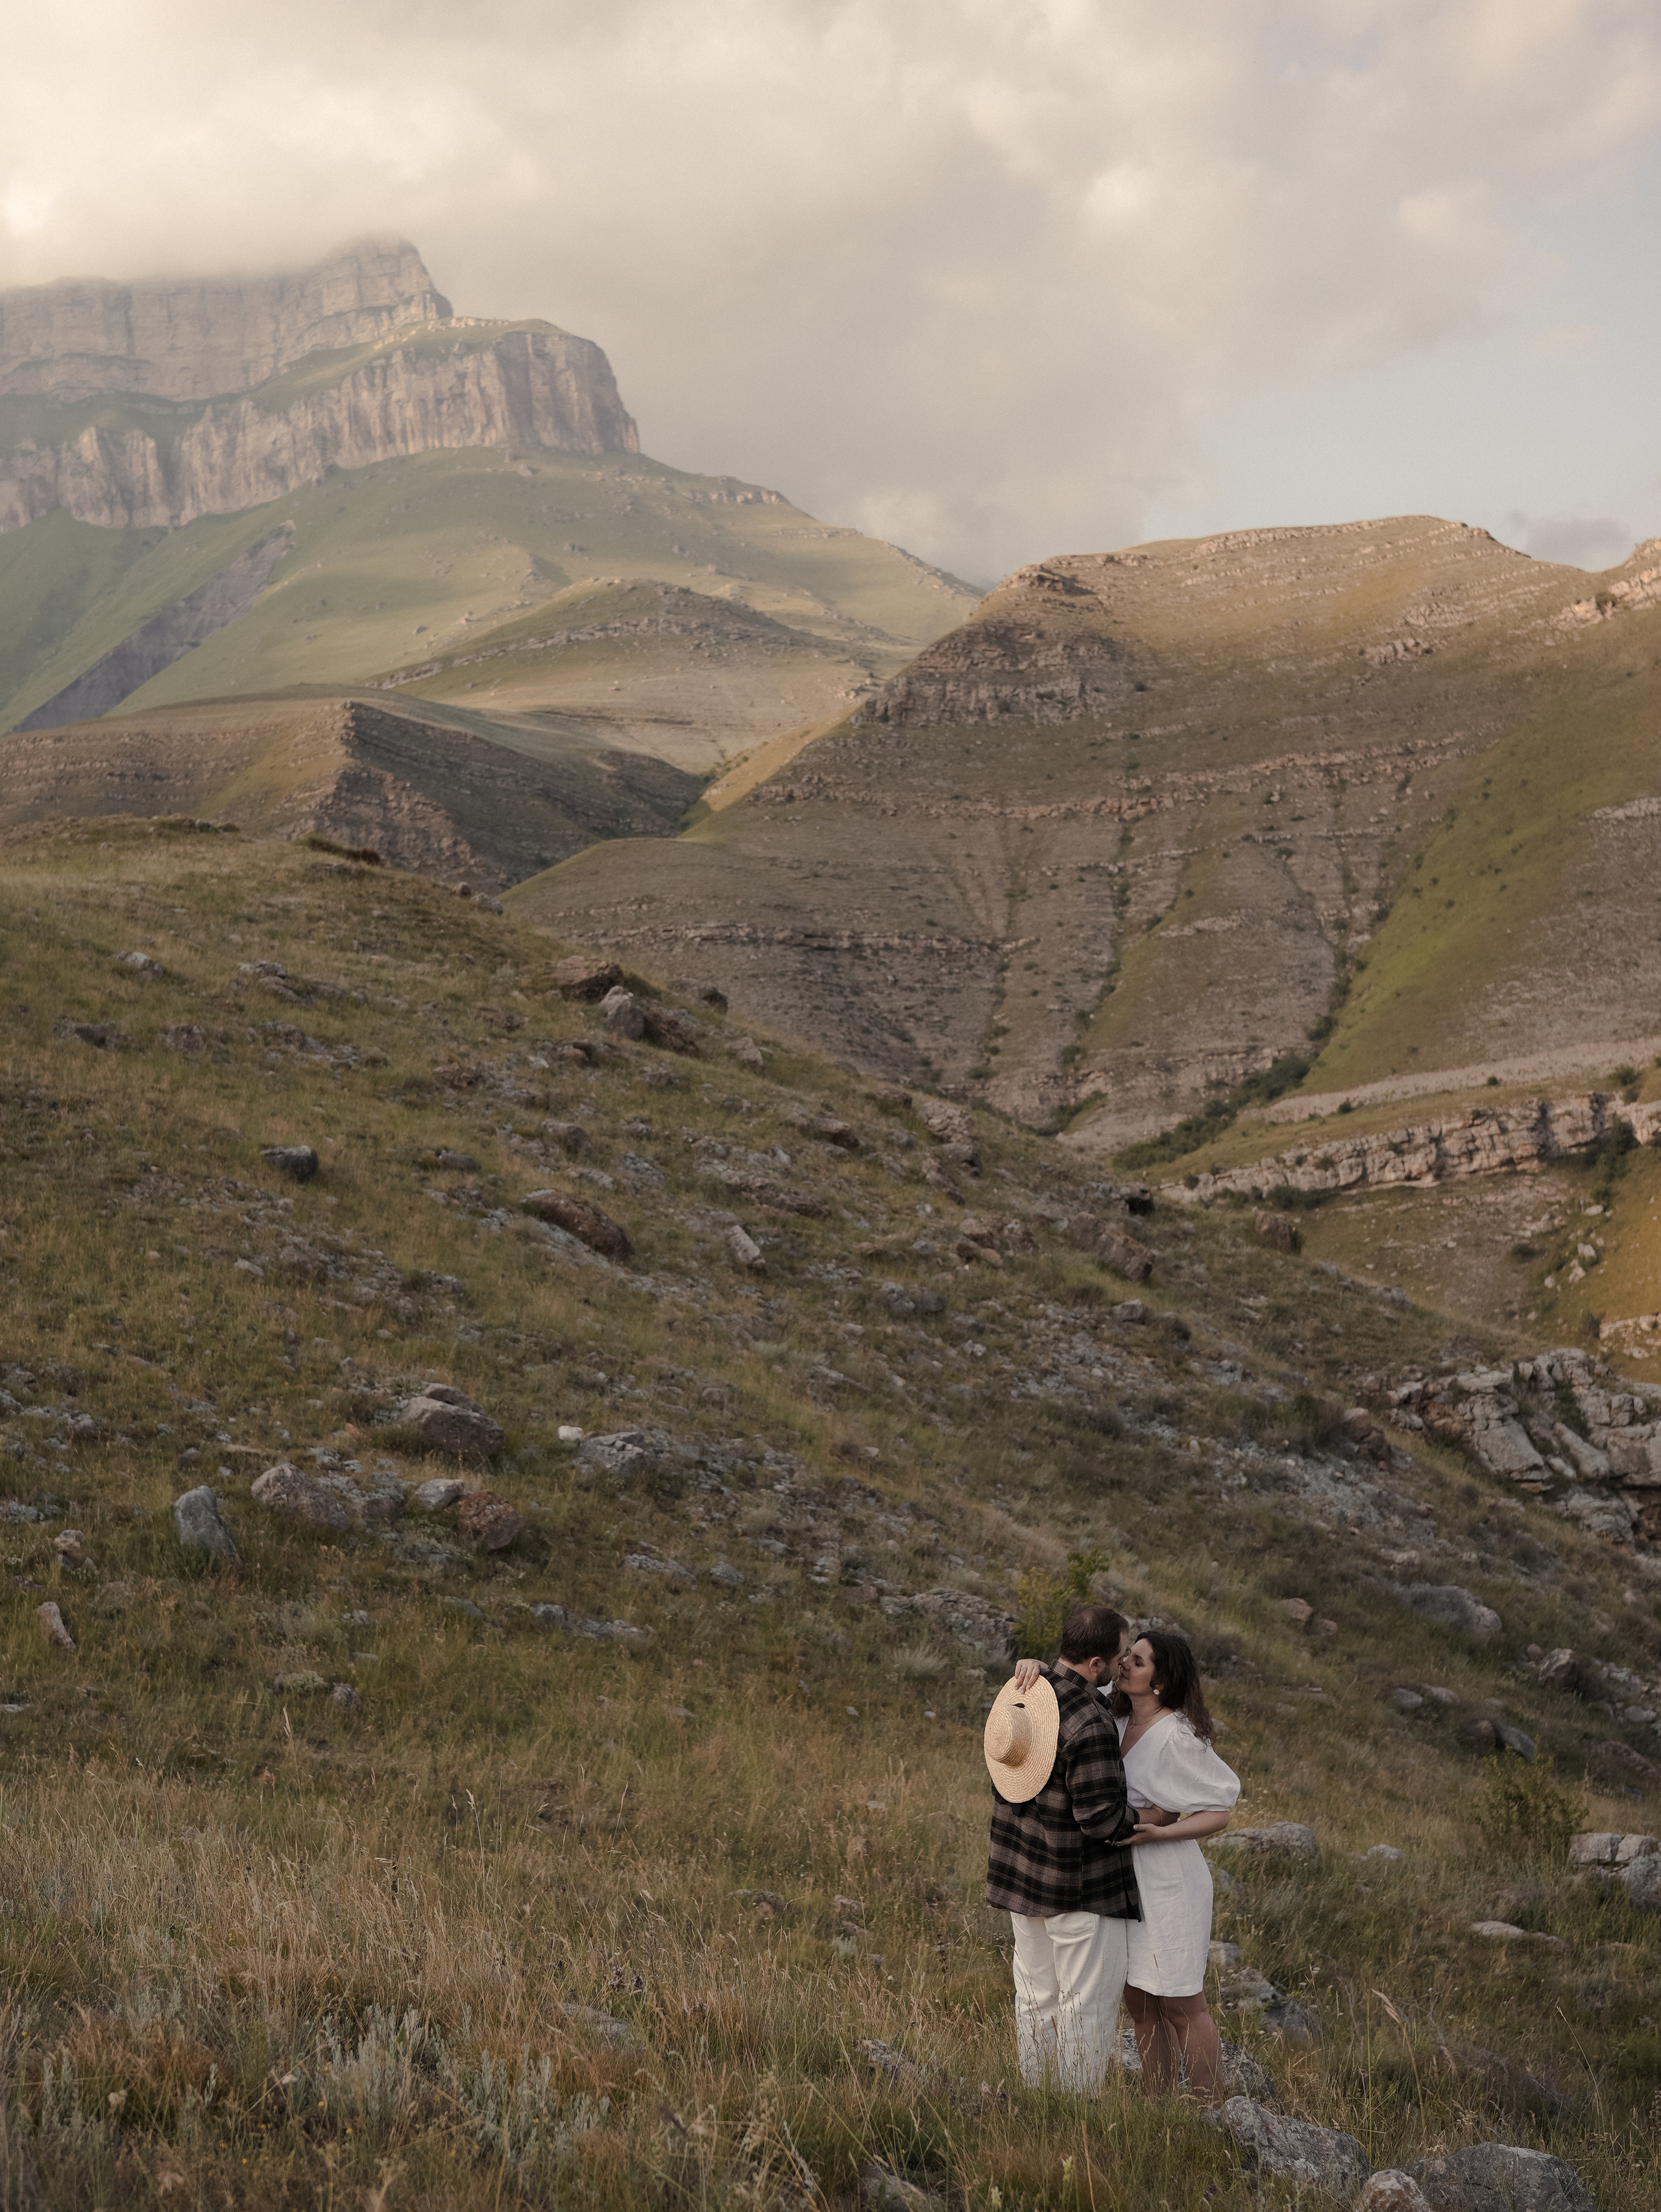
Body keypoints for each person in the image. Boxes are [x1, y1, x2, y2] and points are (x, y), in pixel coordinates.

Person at [1015, 1626, 1239, 2102]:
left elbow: (1220, 1809)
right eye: (1126, 1657)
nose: (1125, 1665)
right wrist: (1033, 1667)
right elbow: (1071, 1678)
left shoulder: (1177, 1735)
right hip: (1122, 1881)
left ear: (1161, 1680)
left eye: (1137, 1661)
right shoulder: (1113, 1719)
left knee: (1181, 2002)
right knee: (1138, 2001)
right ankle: (1158, 2102)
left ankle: (1214, 2109)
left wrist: (1163, 1830)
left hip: (1169, 1881)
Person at [984, 1604, 1141, 2095]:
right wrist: (1150, 1817)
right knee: (1086, 2005)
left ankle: (1037, 2099)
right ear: (1096, 1664)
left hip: (1022, 1878)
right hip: (1079, 1888)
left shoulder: (1021, 1694)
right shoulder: (1089, 1723)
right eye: (1120, 1657)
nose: (1124, 1666)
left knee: (1034, 1997)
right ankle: (1075, 2110)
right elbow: (1102, 1822)